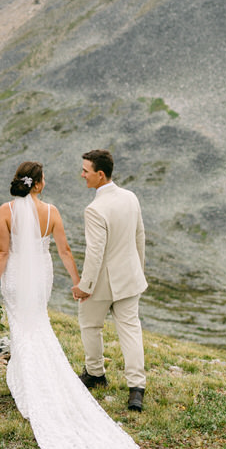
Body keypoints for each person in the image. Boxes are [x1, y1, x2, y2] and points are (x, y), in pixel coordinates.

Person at [0, 160, 145, 449]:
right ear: (40, 184)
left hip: (17, 277)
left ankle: (31, 387)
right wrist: (78, 283)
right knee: (37, 326)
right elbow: (65, 251)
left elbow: (2, 252)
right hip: (42, 277)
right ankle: (30, 379)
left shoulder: (6, 210)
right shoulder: (52, 212)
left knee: (22, 328)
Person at [73, 149, 147, 412]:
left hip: (103, 282)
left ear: (100, 174)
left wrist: (84, 286)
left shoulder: (94, 209)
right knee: (131, 330)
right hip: (130, 278)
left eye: (86, 170)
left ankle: (95, 374)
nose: (82, 174)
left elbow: (95, 253)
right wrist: (139, 270)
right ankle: (136, 389)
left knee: (90, 325)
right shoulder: (130, 197)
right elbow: (140, 236)